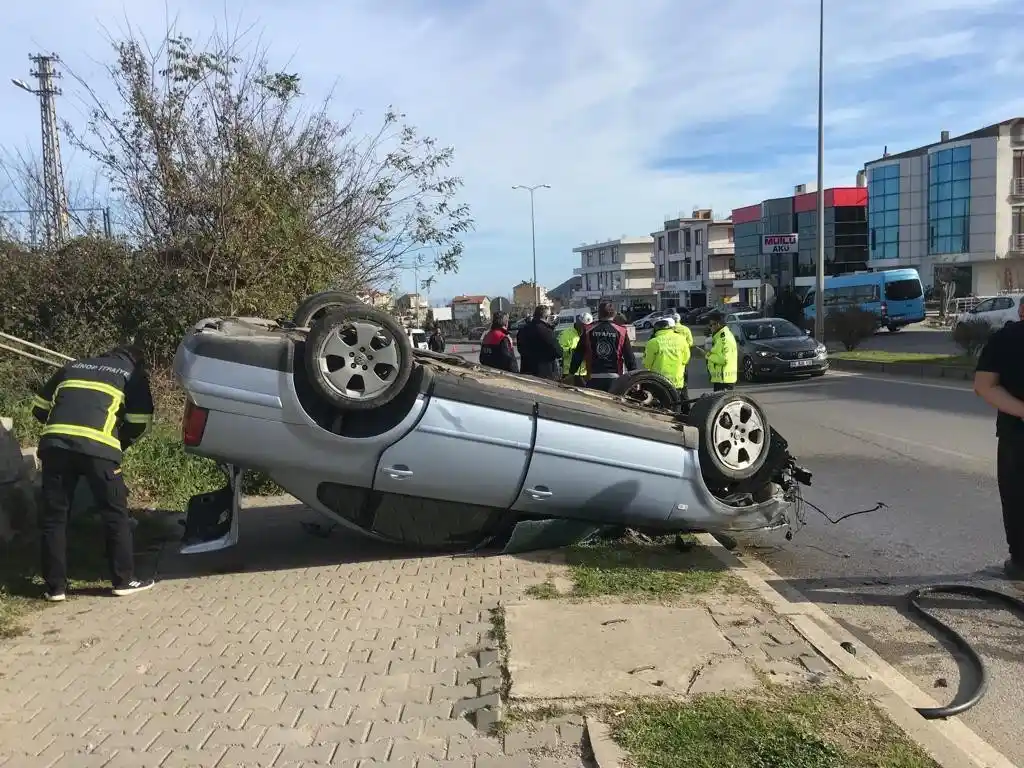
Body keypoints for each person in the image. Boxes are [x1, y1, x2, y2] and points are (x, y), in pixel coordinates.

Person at [31, 340, 156, 602]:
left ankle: (55, 588)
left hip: (56, 446)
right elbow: (139, 422)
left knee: (54, 517)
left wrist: (64, 429)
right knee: (115, 514)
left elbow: (39, 409)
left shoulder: (73, 366)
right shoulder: (132, 375)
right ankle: (123, 580)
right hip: (100, 450)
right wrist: (117, 444)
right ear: (138, 361)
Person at [974, 298, 1024, 580]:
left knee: (1018, 498)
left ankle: (1020, 563)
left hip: (1017, 435)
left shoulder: (1006, 338)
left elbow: (984, 386)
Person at [568, 300, 638, 391]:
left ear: (599, 314)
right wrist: (635, 379)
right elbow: (629, 357)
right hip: (615, 379)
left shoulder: (588, 330)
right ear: (614, 314)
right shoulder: (622, 331)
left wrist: (571, 373)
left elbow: (578, 354)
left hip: (593, 378)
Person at [644, 317, 690, 411]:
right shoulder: (682, 340)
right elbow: (686, 359)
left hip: (660, 381)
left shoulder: (653, 342)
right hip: (677, 381)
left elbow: (647, 364)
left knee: (662, 407)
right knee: (677, 404)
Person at [516, 305, 561, 380]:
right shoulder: (546, 331)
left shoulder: (523, 330)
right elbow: (559, 352)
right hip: (545, 375)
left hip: (527, 372)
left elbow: (520, 349)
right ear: (546, 317)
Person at [705, 311, 738, 391]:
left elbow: (724, 359)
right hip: (721, 379)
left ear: (718, 324)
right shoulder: (719, 337)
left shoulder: (724, 339)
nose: (710, 327)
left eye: (711, 325)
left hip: (724, 380)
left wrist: (709, 355)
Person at [559, 312, 593, 385]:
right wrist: (574, 351)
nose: (585, 328)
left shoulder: (590, 334)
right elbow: (560, 350)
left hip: (585, 374)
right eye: (583, 325)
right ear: (578, 322)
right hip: (569, 373)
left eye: (587, 326)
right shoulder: (566, 333)